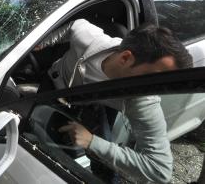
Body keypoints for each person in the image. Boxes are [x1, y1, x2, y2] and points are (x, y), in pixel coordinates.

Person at [36, 19, 193, 183]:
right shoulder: (89, 39)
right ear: (125, 58)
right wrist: (41, 43)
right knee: (35, 132)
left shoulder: (144, 100)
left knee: (105, 167)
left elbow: (160, 170)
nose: (158, 91)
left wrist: (92, 142)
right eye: (154, 79)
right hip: (54, 86)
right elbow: (73, 25)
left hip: (94, 106)